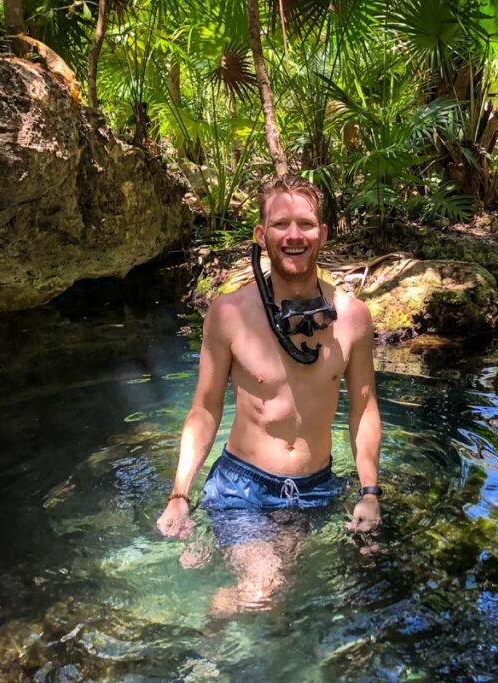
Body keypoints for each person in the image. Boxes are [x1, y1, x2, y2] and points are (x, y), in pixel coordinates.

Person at [156, 174, 382, 612]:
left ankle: (219, 623)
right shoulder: (229, 314)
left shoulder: (353, 317)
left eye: (306, 224)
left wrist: (370, 492)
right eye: (281, 224)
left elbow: (364, 408)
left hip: (317, 489)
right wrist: (179, 495)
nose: (294, 235)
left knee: (303, 591)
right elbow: (204, 410)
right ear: (261, 235)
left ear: (323, 233)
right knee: (264, 588)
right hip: (244, 490)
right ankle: (203, 657)